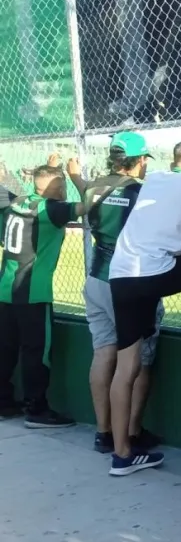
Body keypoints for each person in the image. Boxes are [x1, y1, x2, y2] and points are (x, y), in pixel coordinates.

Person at [107, 140, 181, 476]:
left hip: (120, 276)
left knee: (127, 365)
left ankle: (121, 452)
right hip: (151, 274)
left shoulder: (154, 180)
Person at [69, 133, 163, 454]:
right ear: (138, 160)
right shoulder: (141, 191)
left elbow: (85, 193)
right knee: (138, 361)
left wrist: (73, 174)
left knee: (103, 354)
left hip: (96, 277)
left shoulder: (94, 186)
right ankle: (132, 433)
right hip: (129, 283)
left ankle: (103, 432)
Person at [0, 162, 85, 427]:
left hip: (5, 289)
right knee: (38, 352)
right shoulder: (51, 209)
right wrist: (76, 177)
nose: (64, 192)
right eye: (62, 187)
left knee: (6, 348)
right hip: (33, 292)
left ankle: (3, 402)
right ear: (56, 188)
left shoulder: (18, 203)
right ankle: (37, 409)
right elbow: (89, 205)